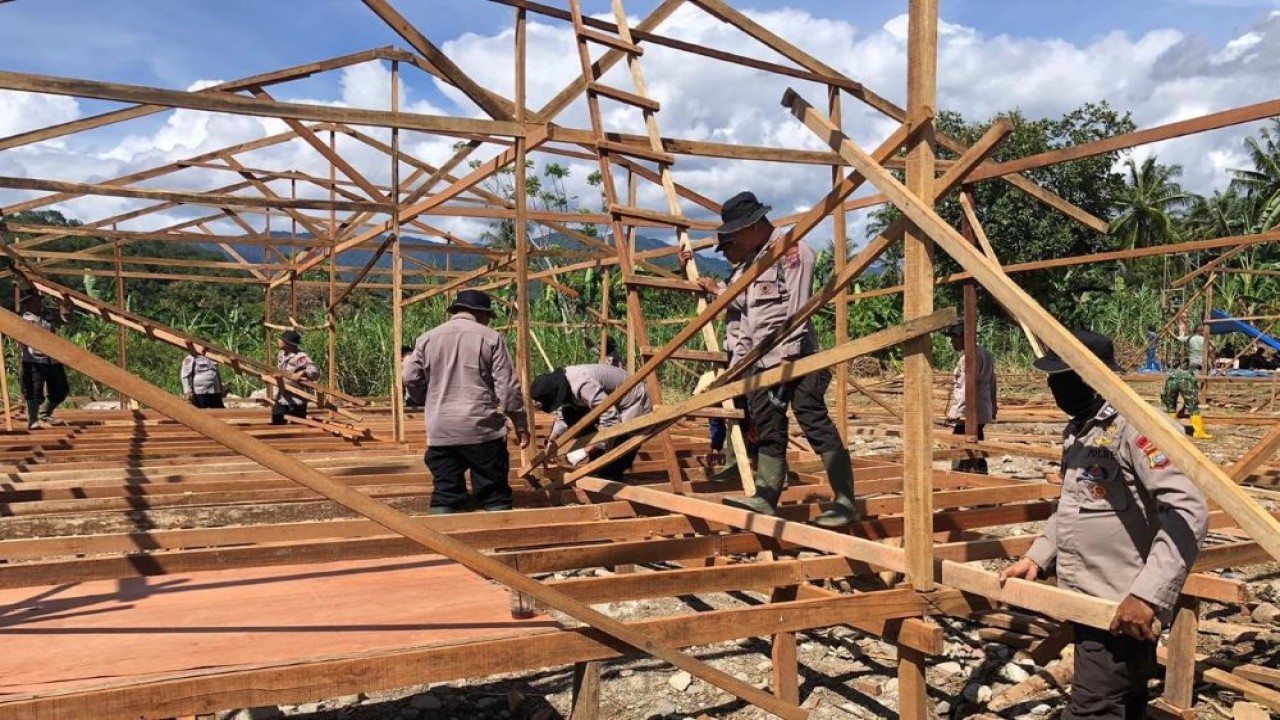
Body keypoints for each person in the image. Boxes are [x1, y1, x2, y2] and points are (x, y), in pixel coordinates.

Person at [1001, 329, 1209, 720]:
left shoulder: (1138, 428)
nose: (1056, 387)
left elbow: (1188, 511)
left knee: (1092, 709)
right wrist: (1038, 557)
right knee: (1125, 701)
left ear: (1094, 376)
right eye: (1053, 379)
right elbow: (1074, 505)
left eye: (1065, 378)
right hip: (1091, 599)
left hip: (1122, 604)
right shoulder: (1081, 431)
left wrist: (1147, 596)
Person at [708, 191, 859, 528]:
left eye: (737, 234)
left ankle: (846, 501)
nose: (735, 242)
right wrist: (740, 366)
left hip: (796, 357)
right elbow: (747, 315)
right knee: (767, 427)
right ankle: (765, 497)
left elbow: (798, 309)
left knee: (812, 419)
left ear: (753, 225)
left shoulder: (792, 251)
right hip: (762, 361)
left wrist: (786, 363)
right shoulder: (752, 262)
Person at [402, 289, 529, 513]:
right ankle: (500, 527)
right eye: (488, 317)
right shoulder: (490, 337)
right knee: (494, 493)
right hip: (481, 428)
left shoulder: (426, 338)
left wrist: (424, 398)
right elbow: (508, 388)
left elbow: (410, 377)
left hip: (441, 429)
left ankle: (443, 530)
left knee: (445, 493)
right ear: (481, 314)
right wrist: (520, 424)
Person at [679, 241, 755, 482]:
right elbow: (705, 294)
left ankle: (765, 468)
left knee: (759, 411)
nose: (727, 255)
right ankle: (736, 462)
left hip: (754, 351)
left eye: (729, 249)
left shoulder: (757, 269)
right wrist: (687, 270)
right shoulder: (735, 275)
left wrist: (717, 291)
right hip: (736, 353)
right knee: (735, 407)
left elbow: (750, 302)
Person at [530, 363, 651, 481]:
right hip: (610, 403)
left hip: (632, 401)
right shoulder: (564, 385)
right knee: (569, 413)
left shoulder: (584, 385)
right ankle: (599, 456)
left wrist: (584, 451)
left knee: (617, 454)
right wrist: (552, 440)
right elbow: (563, 416)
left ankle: (612, 469)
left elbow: (610, 418)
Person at [942, 323, 997, 474]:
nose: (952, 341)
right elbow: (992, 383)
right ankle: (980, 474)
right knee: (976, 442)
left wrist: (954, 414)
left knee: (958, 445)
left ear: (964, 337)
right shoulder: (985, 354)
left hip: (968, 412)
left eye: (954, 338)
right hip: (983, 410)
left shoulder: (968, 358)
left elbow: (966, 389)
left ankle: (960, 476)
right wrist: (994, 407)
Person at [17, 291, 73, 429]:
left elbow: (66, 320)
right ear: (28, 304)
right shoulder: (23, 318)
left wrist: (65, 307)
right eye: (35, 300)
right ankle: (33, 420)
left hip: (52, 358)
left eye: (39, 300)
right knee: (33, 390)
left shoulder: (48, 315)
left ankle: (44, 413)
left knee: (60, 389)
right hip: (33, 359)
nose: (39, 303)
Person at [272, 329, 320, 425]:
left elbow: (315, 372)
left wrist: (303, 372)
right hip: (282, 397)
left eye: (281, 340)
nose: (278, 341)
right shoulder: (281, 354)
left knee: (297, 426)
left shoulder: (300, 357)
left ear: (287, 343)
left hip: (297, 400)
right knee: (277, 423)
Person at [1161, 368, 1211, 439]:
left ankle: (1170, 430)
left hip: (1171, 377)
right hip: (1185, 378)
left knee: (1170, 406)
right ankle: (1198, 432)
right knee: (1192, 406)